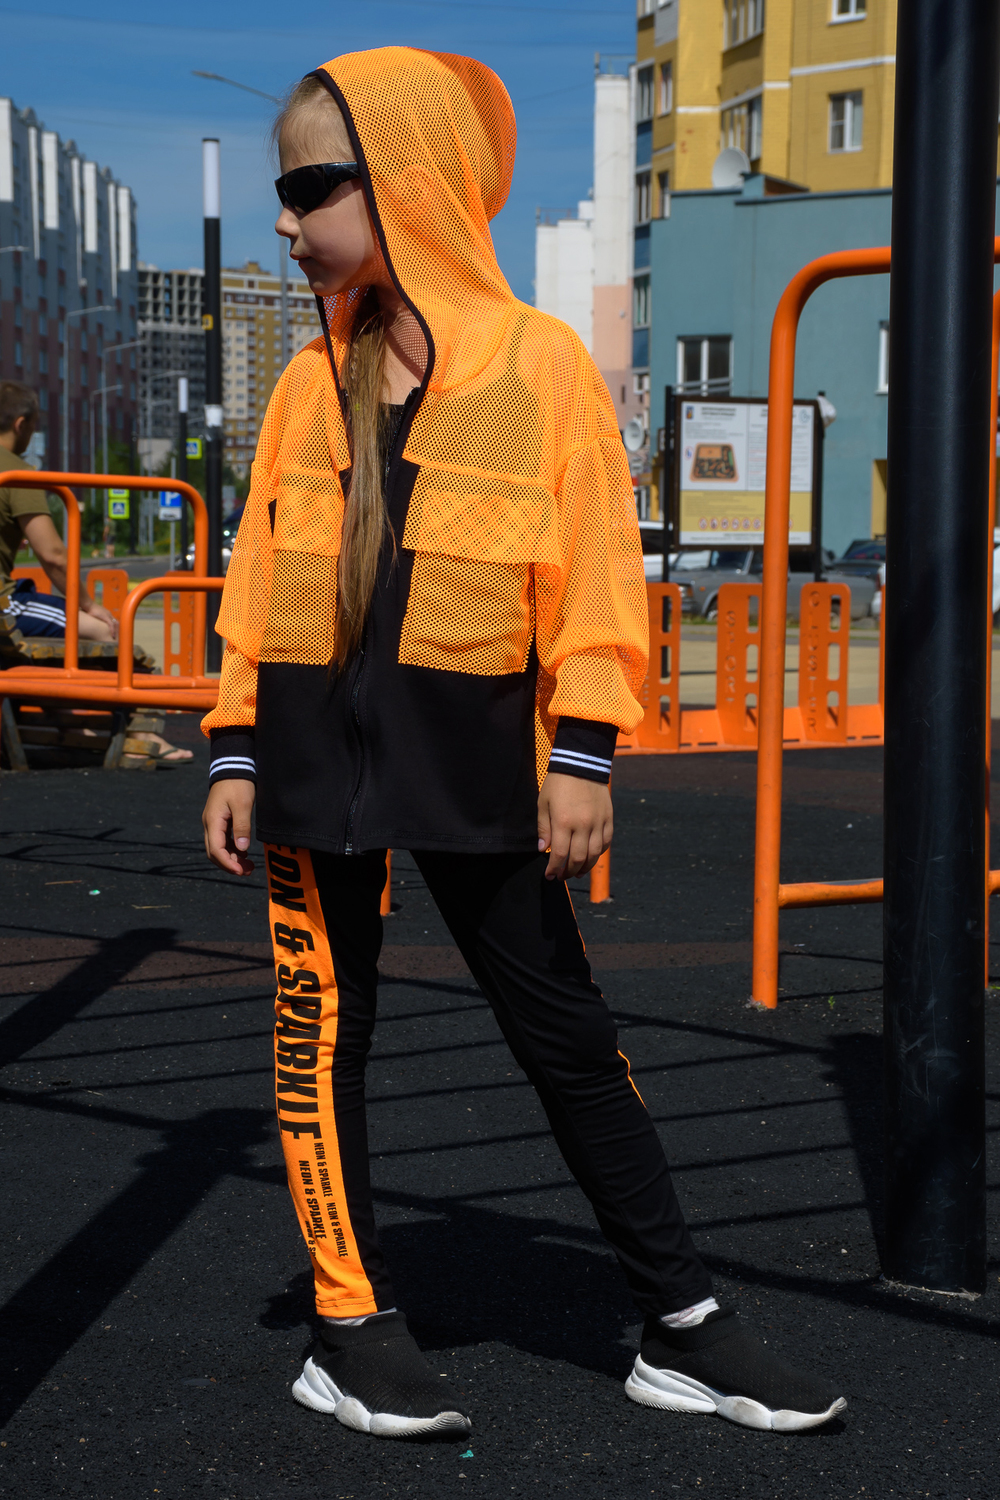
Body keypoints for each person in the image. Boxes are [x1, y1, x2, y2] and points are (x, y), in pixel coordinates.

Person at [201, 48, 846, 1440]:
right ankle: (346, 1324)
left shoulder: (537, 365)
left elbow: (598, 574)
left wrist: (585, 751)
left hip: (477, 757)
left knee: (566, 1032)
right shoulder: (308, 384)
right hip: (310, 761)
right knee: (324, 1031)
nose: (285, 219)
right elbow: (261, 574)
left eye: (310, 187)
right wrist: (234, 743)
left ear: (405, 183)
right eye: (282, 192)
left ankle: (681, 1322)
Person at [0, 382, 117, 642]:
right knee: (104, 630)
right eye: (34, 427)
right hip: (3, 605)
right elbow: (53, 555)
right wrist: (89, 605)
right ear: (20, 425)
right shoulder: (18, 474)